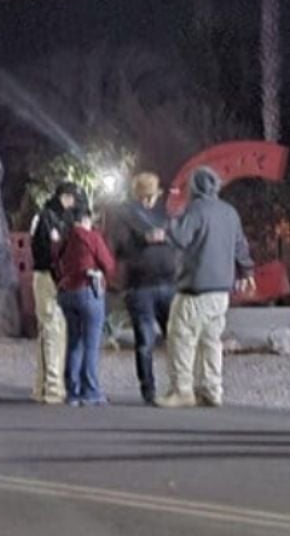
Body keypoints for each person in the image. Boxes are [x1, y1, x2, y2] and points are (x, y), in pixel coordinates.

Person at [156, 167, 255, 409]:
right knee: (212, 340)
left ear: (195, 187)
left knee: (182, 337)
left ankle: (182, 390)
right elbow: (240, 245)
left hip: (195, 288)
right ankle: (212, 389)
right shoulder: (230, 213)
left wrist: (169, 225)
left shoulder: (196, 210)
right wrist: (247, 271)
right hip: (221, 290)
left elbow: (181, 237)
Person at [116, 172, 178, 405]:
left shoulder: (166, 214)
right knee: (145, 342)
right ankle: (148, 389)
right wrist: (143, 239)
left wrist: (167, 238)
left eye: (152, 196)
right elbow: (119, 247)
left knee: (175, 337)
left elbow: (177, 238)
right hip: (140, 286)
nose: (150, 200)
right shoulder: (124, 216)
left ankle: (178, 385)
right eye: (147, 196)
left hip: (168, 282)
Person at [28, 182, 87, 405]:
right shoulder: (46, 218)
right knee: (52, 329)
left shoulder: (56, 217)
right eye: (74, 198)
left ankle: (43, 385)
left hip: (54, 278)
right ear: (66, 197)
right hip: (47, 277)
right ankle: (52, 387)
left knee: (52, 331)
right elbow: (44, 252)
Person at [55, 206, 115, 406]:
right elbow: (108, 264)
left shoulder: (64, 239)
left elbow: (55, 261)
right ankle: (90, 390)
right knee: (91, 343)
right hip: (88, 290)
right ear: (85, 219)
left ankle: (73, 391)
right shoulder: (92, 237)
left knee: (74, 342)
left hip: (66, 293)